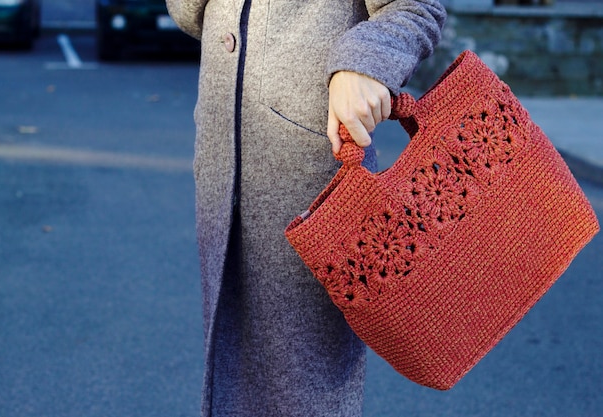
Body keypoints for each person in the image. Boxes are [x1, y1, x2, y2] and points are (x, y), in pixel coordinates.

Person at [166, 1, 446, 415]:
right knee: (236, 368)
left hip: (310, 176)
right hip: (223, 165)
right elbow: (189, 14)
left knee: (302, 391)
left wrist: (364, 63)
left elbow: (416, 8)